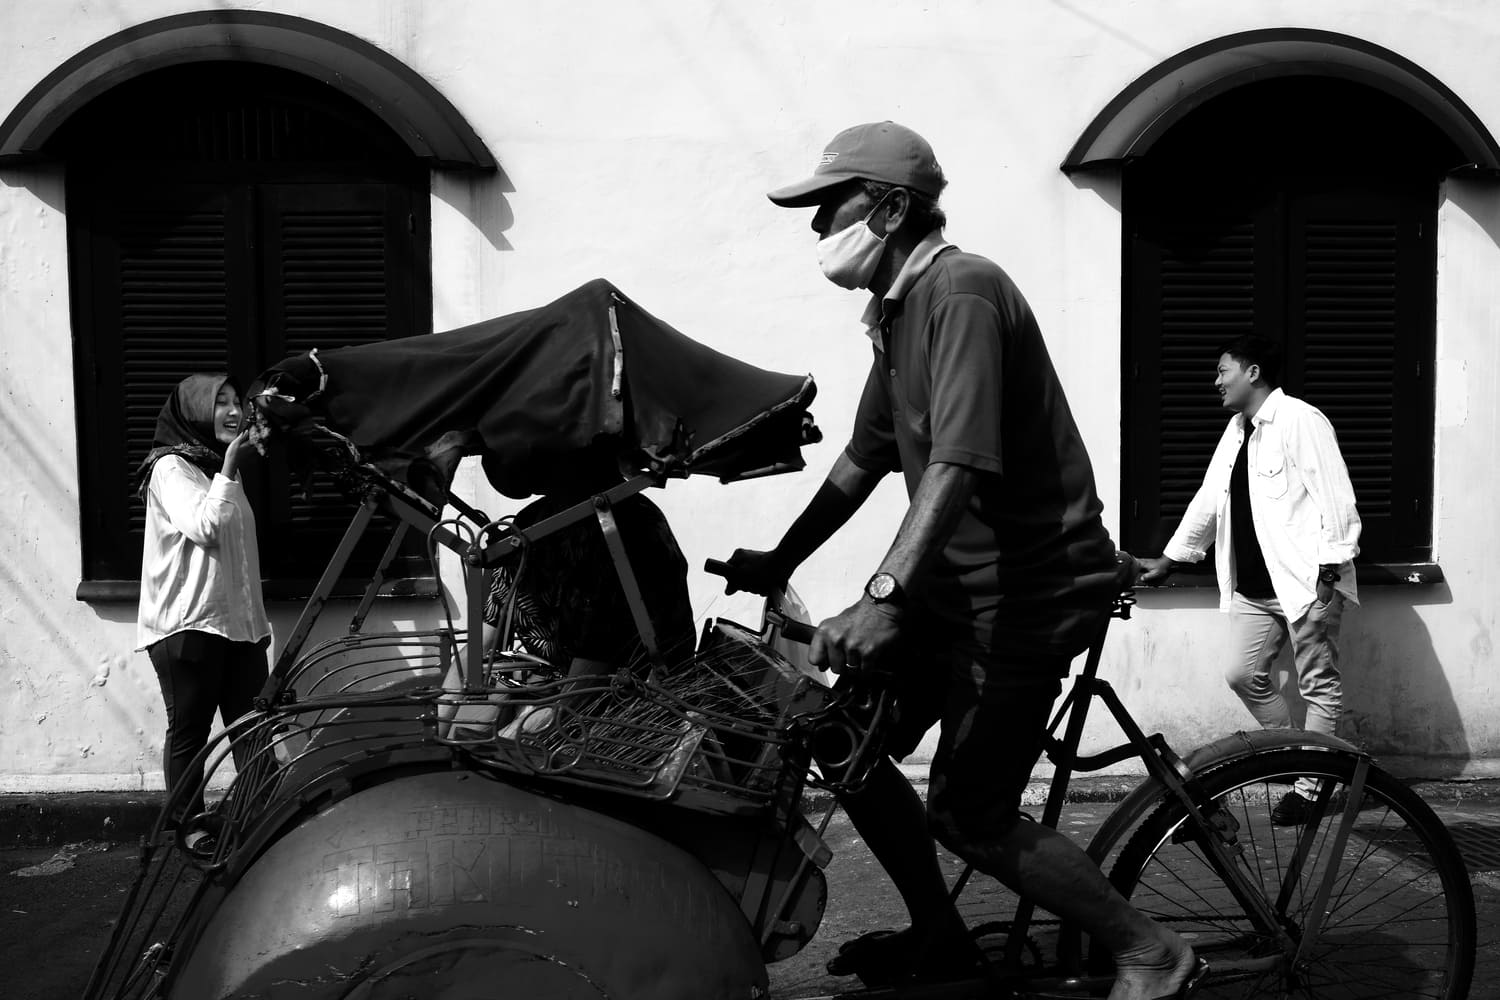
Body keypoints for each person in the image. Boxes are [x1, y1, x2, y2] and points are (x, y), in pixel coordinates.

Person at [722, 121, 1204, 1000]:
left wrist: (882, 596)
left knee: (967, 812)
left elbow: (959, 460)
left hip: (1028, 593)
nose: (817, 226)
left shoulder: (964, 291)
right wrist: (778, 556)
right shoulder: (897, 313)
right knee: (841, 738)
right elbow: (863, 458)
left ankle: (1151, 950)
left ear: (891, 209)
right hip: (954, 592)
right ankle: (941, 937)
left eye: (831, 207)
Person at [1137, 336, 1360, 825]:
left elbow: (1337, 497)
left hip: (1304, 584)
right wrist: (1171, 559)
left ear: (1253, 372)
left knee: (1318, 685)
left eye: (1223, 371)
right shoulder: (1237, 429)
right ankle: (1297, 758)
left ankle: (1311, 788)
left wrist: (1329, 572)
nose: (1216, 381)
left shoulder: (1301, 420)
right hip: (1254, 589)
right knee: (1242, 673)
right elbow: (1209, 499)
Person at [440, 486, 697, 740]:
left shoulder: (611, 541)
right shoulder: (518, 557)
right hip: (553, 686)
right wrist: (436, 732)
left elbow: (581, 691)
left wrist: (500, 743)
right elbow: (476, 649)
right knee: (466, 727)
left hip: (617, 701)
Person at [136, 374, 271, 856]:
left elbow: (240, 557)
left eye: (237, 402)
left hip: (237, 628)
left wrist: (256, 625)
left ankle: (263, 820)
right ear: (194, 411)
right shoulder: (170, 467)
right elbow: (205, 527)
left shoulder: (216, 470)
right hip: (187, 626)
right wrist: (231, 465)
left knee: (254, 728)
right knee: (191, 735)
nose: (234, 411)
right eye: (220, 402)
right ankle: (188, 827)